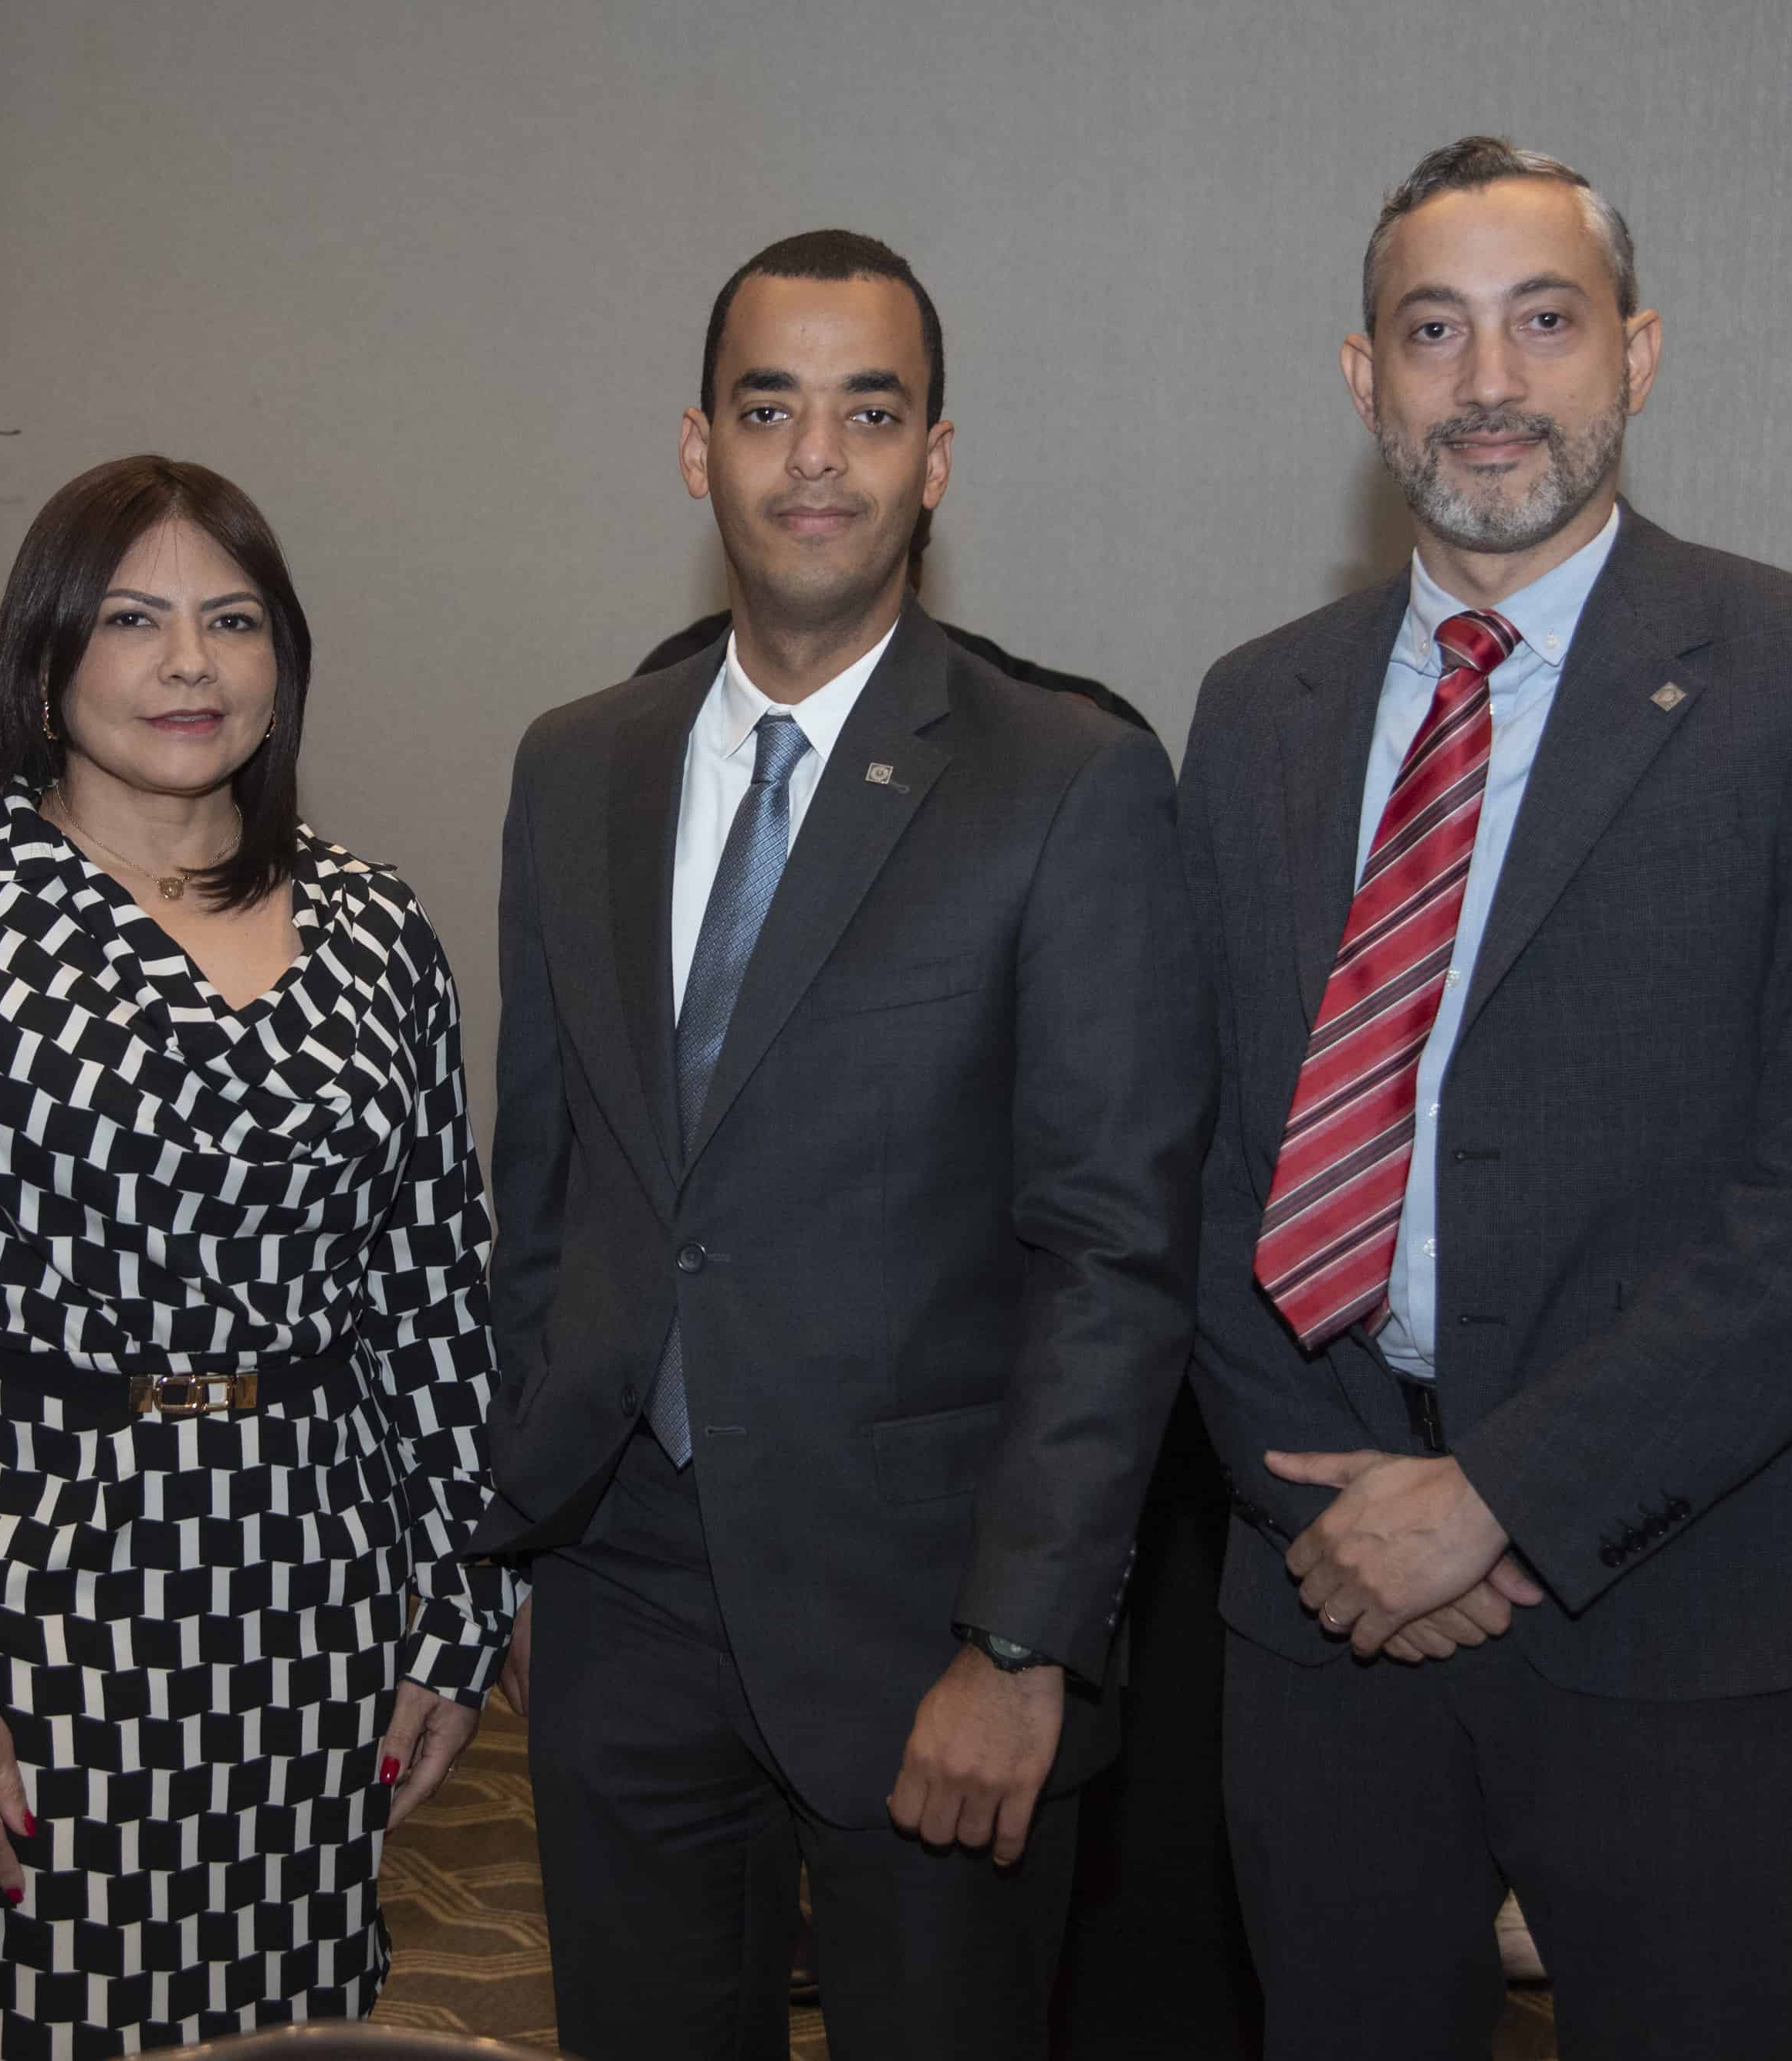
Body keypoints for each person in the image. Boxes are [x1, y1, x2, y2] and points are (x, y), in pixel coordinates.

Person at [1182, 137, 1792, 2061]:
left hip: (1678, 1594)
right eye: (1429, 331)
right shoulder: (1255, 705)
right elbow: (1196, 1148)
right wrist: (1320, 1500)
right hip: (1322, 1585)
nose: (1488, 381)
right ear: (1361, 378)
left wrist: (1503, 1499)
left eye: (1543, 321)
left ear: (1637, 352)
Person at [472, 228, 1212, 2059]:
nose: (816, 458)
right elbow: (541, 1189)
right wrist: (519, 1531)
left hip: (926, 1624)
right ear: (695, 448)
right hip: (620, 1595)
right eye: (766, 409)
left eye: (868, 413)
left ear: (933, 459)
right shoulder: (573, 764)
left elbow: (1112, 1255)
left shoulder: (1065, 780)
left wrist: (1024, 1643)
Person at [0, 454, 522, 2058]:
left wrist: (461, 1609)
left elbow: (436, 1297)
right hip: (34, 1599)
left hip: (315, 1589)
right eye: (131, 619)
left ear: (284, 659)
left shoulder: (376, 928)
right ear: (44, 655)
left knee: (293, 2034)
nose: (190, 663)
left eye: (232, 620)